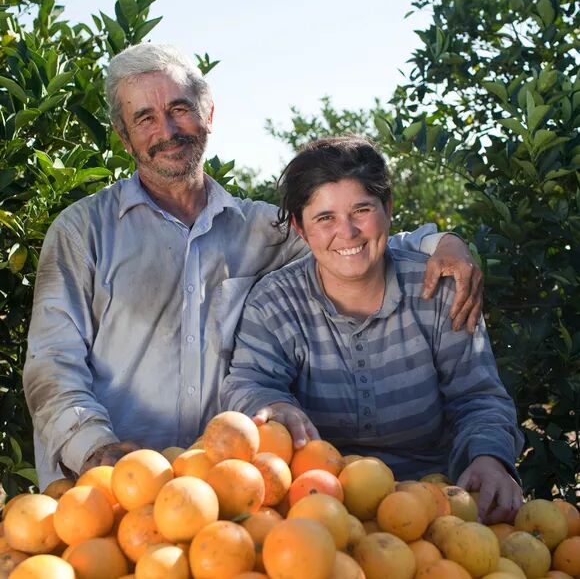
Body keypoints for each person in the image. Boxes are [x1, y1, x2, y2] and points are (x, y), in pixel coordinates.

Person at [23, 44, 483, 490]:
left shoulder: (263, 228)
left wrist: (443, 243)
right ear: (124, 137)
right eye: (144, 118)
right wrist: (95, 450)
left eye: (180, 109)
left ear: (208, 116)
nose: (166, 130)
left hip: (223, 485)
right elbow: (52, 362)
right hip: (107, 485)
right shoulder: (83, 231)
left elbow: (353, 239)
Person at [221, 136, 524, 524]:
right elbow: (248, 382)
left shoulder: (439, 290)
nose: (347, 232)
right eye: (325, 217)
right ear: (300, 227)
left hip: (437, 506)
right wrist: (272, 405)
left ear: (389, 210)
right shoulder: (275, 303)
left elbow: (478, 396)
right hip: (316, 508)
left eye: (361, 209)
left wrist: (489, 457)